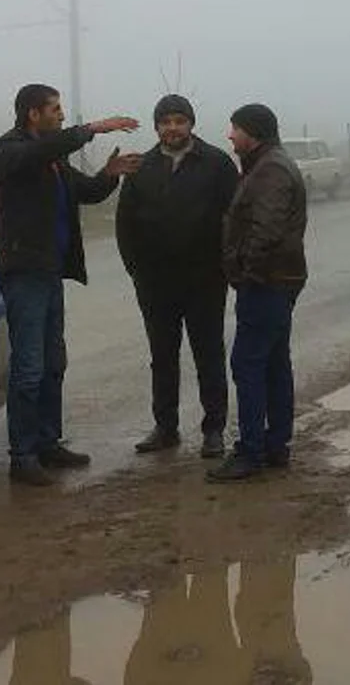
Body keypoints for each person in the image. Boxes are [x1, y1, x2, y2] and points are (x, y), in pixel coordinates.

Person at [0, 83, 143, 487]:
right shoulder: (9, 151)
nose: (61, 114)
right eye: (54, 109)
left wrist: (110, 176)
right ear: (32, 114)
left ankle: (47, 442)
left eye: (61, 109)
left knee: (53, 363)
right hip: (24, 274)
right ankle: (21, 456)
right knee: (28, 367)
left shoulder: (54, 162)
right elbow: (40, 151)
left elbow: (87, 192)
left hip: (50, 273)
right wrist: (94, 128)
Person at [116, 94, 239, 459]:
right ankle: (165, 427)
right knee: (162, 356)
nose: (173, 128)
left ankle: (214, 429)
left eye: (179, 121)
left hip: (205, 280)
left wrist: (226, 268)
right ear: (157, 127)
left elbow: (235, 219)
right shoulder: (141, 167)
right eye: (166, 122)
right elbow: (125, 224)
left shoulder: (216, 164)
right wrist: (136, 270)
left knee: (209, 354)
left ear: (191, 125)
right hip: (155, 283)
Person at [207, 103, 307, 483]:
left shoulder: (271, 170)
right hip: (275, 280)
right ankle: (274, 444)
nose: (230, 135)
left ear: (253, 132)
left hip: (266, 283)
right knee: (274, 363)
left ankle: (251, 451)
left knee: (247, 364)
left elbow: (266, 229)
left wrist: (243, 271)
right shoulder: (267, 164)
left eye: (235, 129)